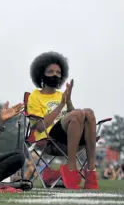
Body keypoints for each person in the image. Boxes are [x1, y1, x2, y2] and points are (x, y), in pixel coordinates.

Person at [27, 51, 99, 189]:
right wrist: (61, 105)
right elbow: (40, 127)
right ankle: (71, 167)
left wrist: (69, 101)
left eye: (58, 73)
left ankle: (91, 170)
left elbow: (77, 119)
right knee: (78, 113)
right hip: (48, 140)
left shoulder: (62, 94)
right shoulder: (35, 96)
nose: (55, 75)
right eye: (51, 71)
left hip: (70, 138)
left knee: (89, 113)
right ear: (42, 74)